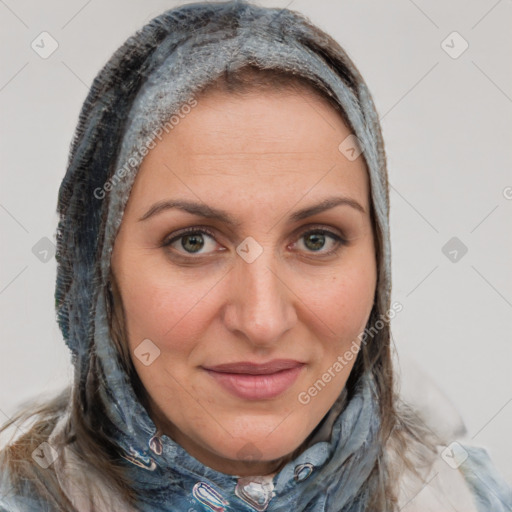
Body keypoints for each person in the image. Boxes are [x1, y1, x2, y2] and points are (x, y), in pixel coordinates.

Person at [1, 1, 511, 511]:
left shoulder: (465, 497)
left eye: (317, 239)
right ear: (97, 274)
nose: (262, 321)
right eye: (193, 241)